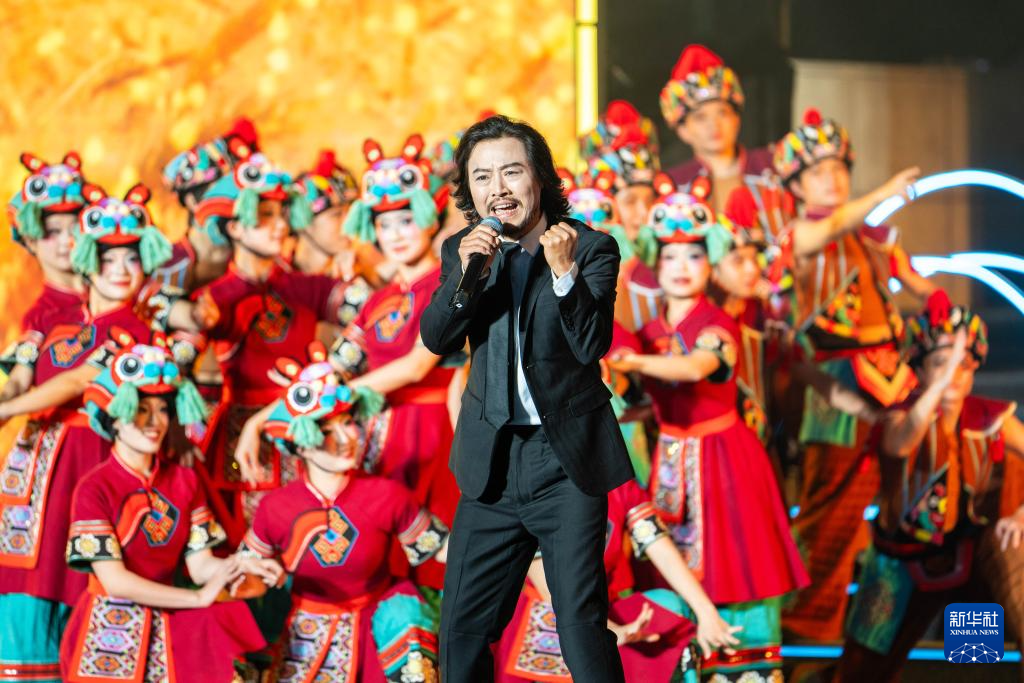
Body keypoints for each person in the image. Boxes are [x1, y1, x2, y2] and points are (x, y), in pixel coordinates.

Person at [419, 114, 633, 682]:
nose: (499, 189)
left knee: (580, 628)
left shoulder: (590, 247)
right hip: (491, 461)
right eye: (482, 177)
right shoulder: (463, 250)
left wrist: (564, 275)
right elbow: (437, 338)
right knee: (461, 632)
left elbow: (591, 345)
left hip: (564, 460)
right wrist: (468, 273)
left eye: (511, 172)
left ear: (539, 177)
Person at [607, 188, 808, 681]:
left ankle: (745, 668)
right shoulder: (649, 331)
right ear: (654, 261)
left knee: (739, 571)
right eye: (670, 255)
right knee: (668, 573)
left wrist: (632, 363)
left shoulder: (716, 324)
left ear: (710, 261)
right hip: (670, 463)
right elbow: (644, 399)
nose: (681, 266)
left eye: (694, 255)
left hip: (725, 464)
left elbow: (698, 367)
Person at [772, 108, 950, 640]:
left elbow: (914, 279)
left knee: (909, 511)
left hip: (894, 381)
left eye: (838, 168)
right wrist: (885, 192)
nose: (832, 179)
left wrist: (937, 302)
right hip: (834, 386)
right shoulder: (801, 234)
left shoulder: (874, 237)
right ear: (796, 186)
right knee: (832, 514)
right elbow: (832, 225)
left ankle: (879, 637)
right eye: (817, 172)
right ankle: (807, 635)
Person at [0, 182, 174, 681]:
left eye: (132, 259)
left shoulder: (136, 333)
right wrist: (9, 400)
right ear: (87, 260)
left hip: (86, 460)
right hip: (33, 470)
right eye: (108, 258)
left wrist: (7, 410)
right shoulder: (53, 317)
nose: (121, 270)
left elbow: (79, 381)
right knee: (23, 580)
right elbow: (22, 372)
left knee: (71, 580)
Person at [184, 150, 370, 541]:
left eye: (282, 214)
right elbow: (177, 362)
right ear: (234, 228)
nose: (280, 225)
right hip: (244, 446)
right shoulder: (215, 298)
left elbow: (376, 317)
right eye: (265, 216)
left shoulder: (304, 287)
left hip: (312, 434)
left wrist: (360, 272)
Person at [60, 328, 264, 681]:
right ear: (114, 416)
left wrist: (244, 565)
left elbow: (200, 566)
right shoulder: (94, 488)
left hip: (169, 624)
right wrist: (198, 599)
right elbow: (115, 581)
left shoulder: (184, 480)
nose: (154, 423)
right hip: (107, 630)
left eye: (162, 410)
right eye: (141, 410)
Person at [238, 344, 449, 682]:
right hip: (305, 634)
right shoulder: (275, 507)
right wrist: (256, 574)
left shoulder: (386, 494)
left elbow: (442, 550)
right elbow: (243, 575)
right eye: (325, 431)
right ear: (300, 443)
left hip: (381, 628)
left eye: (348, 422)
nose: (345, 438)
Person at [837, 307, 1024, 681]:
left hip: (964, 560)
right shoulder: (898, 416)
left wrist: (1021, 514)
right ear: (920, 371)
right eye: (940, 364)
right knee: (863, 672)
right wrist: (937, 388)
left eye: (962, 365)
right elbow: (901, 444)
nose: (953, 374)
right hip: (899, 564)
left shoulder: (991, 418)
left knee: (972, 664)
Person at [496, 478, 740, 682]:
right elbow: (553, 586)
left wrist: (706, 613)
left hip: (605, 613)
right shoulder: (538, 482)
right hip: (547, 621)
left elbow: (656, 544)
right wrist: (612, 631)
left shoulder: (617, 483)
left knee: (671, 612)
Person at [659, 44, 787, 238]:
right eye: (701, 117)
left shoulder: (773, 165)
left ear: (737, 119)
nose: (714, 125)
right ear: (683, 131)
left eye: (722, 113)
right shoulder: (674, 185)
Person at [1, 152, 88, 400]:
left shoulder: (117, 286)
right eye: (52, 232)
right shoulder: (40, 316)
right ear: (30, 241)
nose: (66, 241)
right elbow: (19, 379)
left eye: (74, 229)